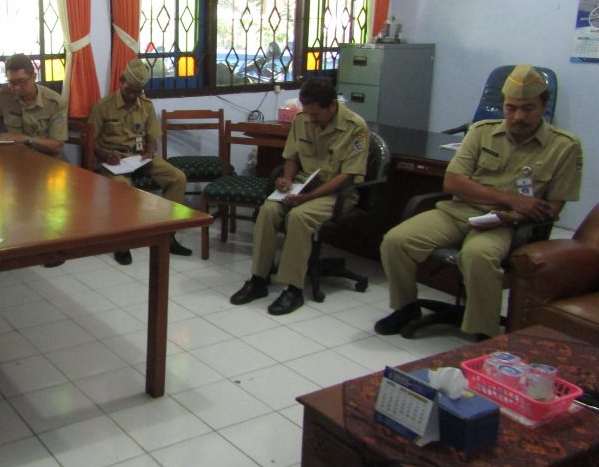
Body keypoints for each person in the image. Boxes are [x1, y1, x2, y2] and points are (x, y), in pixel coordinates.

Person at [376, 64, 583, 338]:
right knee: (396, 241)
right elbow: (453, 182)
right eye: (511, 108)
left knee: (477, 255)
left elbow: (554, 206)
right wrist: (511, 199)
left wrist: (516, 214)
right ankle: (406, 308)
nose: (518, 116)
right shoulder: (481, 132)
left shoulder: (564, 146)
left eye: (528, 108)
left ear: (543, 106)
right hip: (457, 211)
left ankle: (483, 331)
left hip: (505, 223)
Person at [230, 77, 368, 315]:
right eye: (308, 112)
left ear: (332, 105)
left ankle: (294, 289)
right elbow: (292, 157)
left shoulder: (355, 127)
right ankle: (259, 279)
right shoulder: (301, 119)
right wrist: (286, 180)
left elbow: (346, 175)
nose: (310, 118)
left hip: (337, 193)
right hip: (302, 185)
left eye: (315, 114)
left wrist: (307, 197)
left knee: (299, 216)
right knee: (268, 210)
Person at [88, 58, 192, 263]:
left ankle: (167, 236)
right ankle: (122, 244)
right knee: (122, 187)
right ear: (121, 81)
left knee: (178, 178)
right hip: (114, 161)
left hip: (140, 159)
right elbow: (90, 141)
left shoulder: (146, 106)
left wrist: (150, 151)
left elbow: (152, 137)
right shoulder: (103, 107)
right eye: (130, 90)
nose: (133, 96)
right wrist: (105, 154)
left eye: (137, 92)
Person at [0, 53, 68, 156]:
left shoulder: (54, 102)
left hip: (48, 160)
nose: (16, 87)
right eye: (12, 82)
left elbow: (58, 146)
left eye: (21, 81)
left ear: (34, 77)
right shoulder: (3, 96)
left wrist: (26, 139)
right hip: (16, 158)